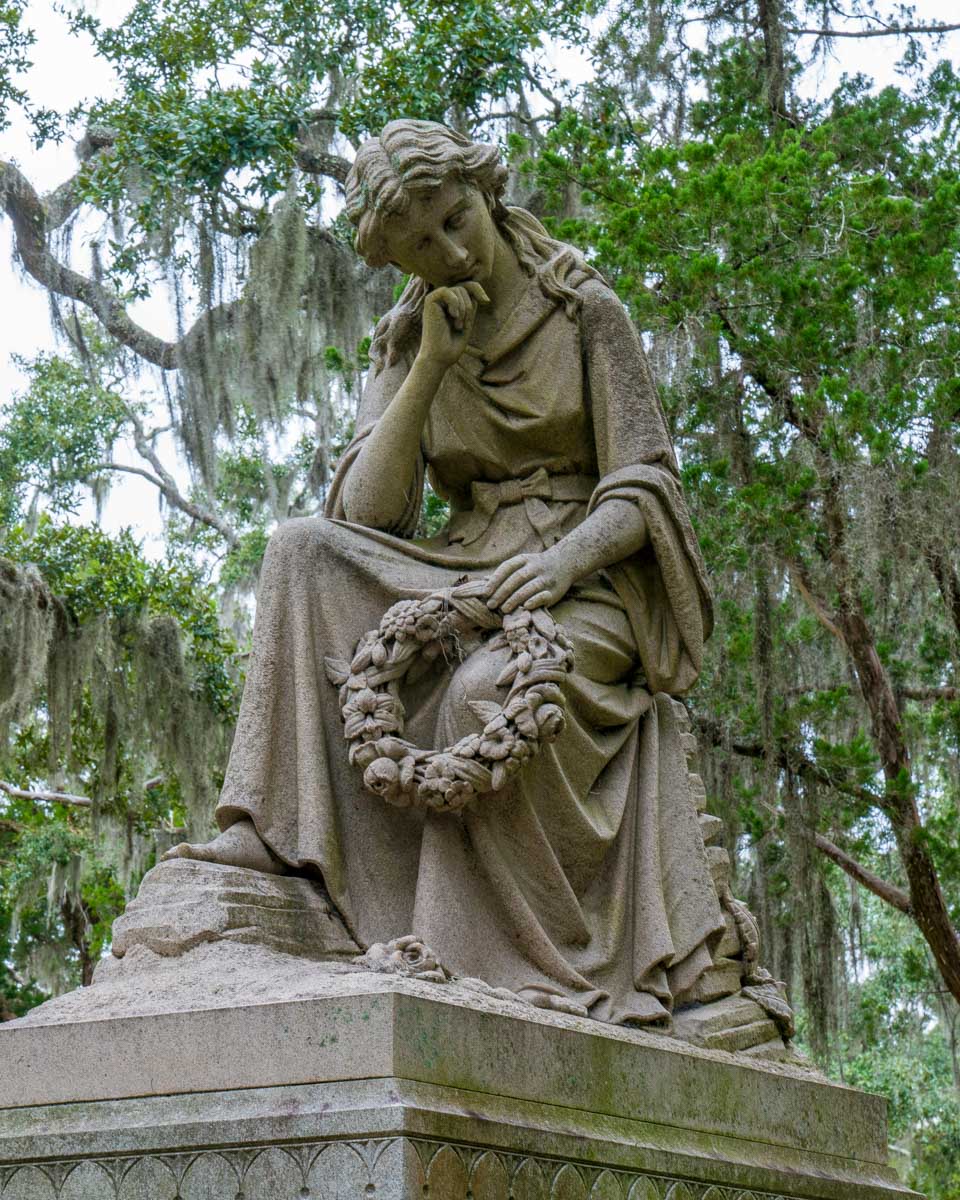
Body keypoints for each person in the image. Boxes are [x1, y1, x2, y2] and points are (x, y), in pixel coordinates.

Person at [165, 119, 724, 1026]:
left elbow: (646, 488)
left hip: (581, 582)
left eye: (458, 220)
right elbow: (368, 516)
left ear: (488, 194)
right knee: (298, 550)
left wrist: (561, 561)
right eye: (420, 245)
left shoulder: (584, 311)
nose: (452, 251)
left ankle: (487, 957)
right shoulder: (410, 338)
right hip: (463, 566)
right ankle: (270, 836)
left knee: (480, 696)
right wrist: (428, 364)